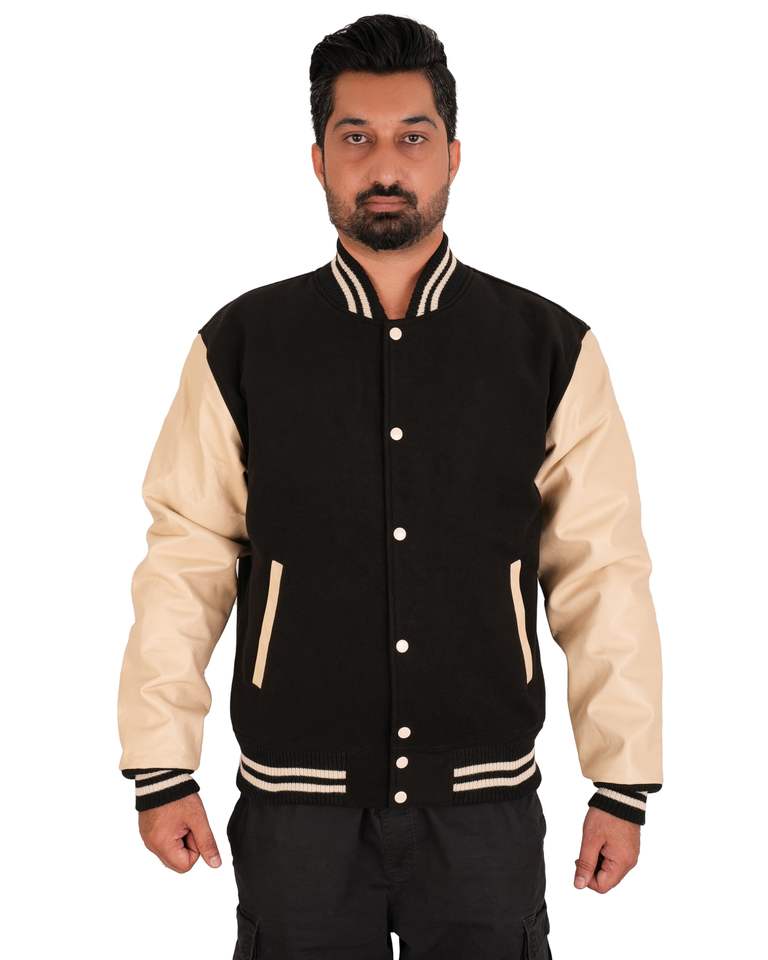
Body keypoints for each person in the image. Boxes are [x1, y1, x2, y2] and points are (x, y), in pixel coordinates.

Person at [116, 13, 663, 959]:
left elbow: (601, 571)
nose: (385, 164)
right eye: (356, 137)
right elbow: (185, 560)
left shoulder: (548, 348)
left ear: (453, 154)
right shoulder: (243, 345)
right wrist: (162, 766)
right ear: (318, 160)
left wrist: (623, 783)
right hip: (296, 810)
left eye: (412, 137)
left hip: (485, 808)